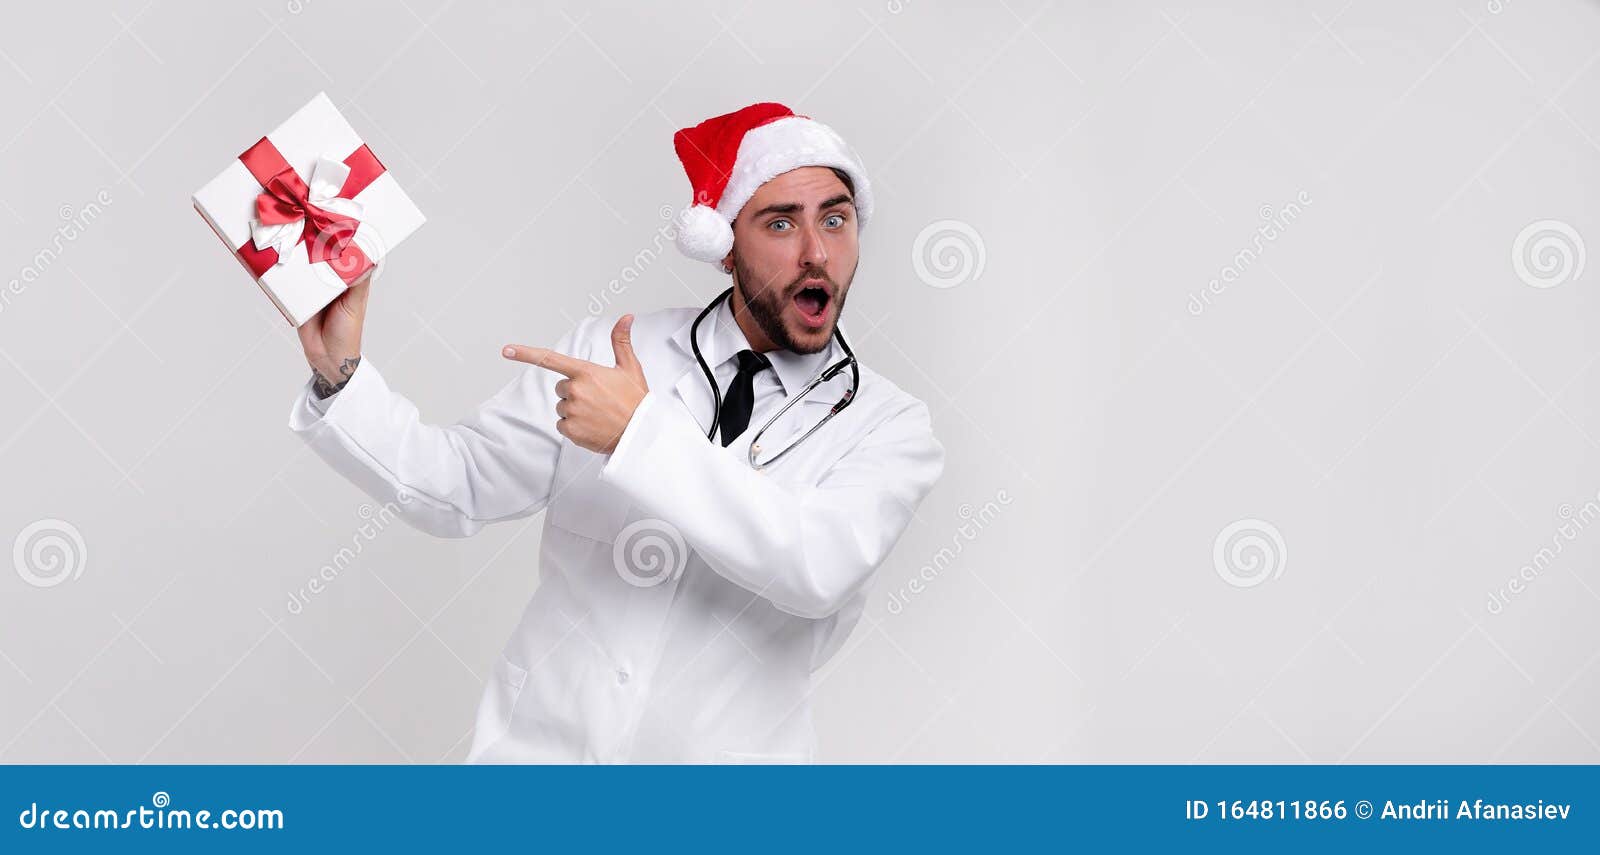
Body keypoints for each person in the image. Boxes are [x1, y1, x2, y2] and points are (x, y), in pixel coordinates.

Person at [287, 102, 945, 763]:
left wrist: (639, 432)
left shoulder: (889, 425)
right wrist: (341, 372)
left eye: (836, 219)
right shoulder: (608, 350)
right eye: (780, 223)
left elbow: (816, 566)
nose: (817, 253)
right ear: (724, 248)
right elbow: (453, 487)